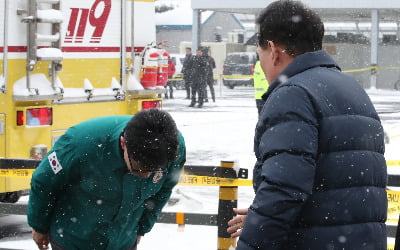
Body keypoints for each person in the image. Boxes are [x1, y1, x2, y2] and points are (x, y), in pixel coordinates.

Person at [227, 1, 387, 249]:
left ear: (273, 50)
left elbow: (283, 191)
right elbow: (343, 186)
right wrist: (265, 217)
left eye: (260, 58)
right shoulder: (352, 88)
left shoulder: (292, 94)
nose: (262, 66)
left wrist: (257, 236)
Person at [27, 109, 186, 250]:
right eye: (140, 169)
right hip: (74, 239)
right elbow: (44, 181)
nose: (147, 176)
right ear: (124, 143)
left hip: (123, 238)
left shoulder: (173, 146)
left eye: (155, 170)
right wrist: (39, 226)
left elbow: (164, 189)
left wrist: (142, 229)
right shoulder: (79, 144)